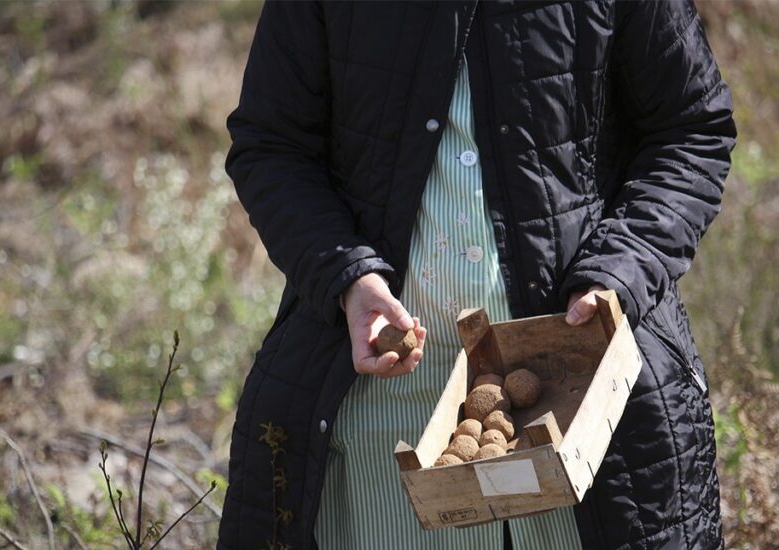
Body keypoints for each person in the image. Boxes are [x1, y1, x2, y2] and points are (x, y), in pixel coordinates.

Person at [217, 1, 736, 549]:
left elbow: (691, 130)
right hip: (378, 417)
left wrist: (618, 269)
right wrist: (348, 276)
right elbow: (273, 146)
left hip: (584, 399)